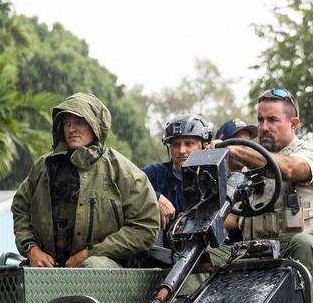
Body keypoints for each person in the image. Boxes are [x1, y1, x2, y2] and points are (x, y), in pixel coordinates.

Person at [12, 92, 159, 268]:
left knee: (93, 267)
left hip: (106, 266)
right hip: (47, 265)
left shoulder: (122, 171)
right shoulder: (44, 166)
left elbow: (145, 227)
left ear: (95, 125)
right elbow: (20, 207)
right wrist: (31, 249)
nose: (71, 129)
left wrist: (90, 253)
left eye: (79, 122)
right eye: (67, 122)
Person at [221, 88, 313, 275]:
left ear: (293, 124)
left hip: (299, 249)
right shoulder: (250, 166)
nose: (264, 127)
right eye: (260, 120)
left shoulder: (312, 153)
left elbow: (289, 168)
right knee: (208, 253)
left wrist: (235, 150)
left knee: (304, 243)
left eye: (272, 120)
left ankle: (293, 302)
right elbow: (234, 217)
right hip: (255, 250)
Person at [143, 114, 213, 229]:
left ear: (204, 146)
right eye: (176, 145)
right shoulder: (156, 174)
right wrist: (154, 197)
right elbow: (125, 183)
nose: (181, 150)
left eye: (189, 144)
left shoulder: (215, 178)